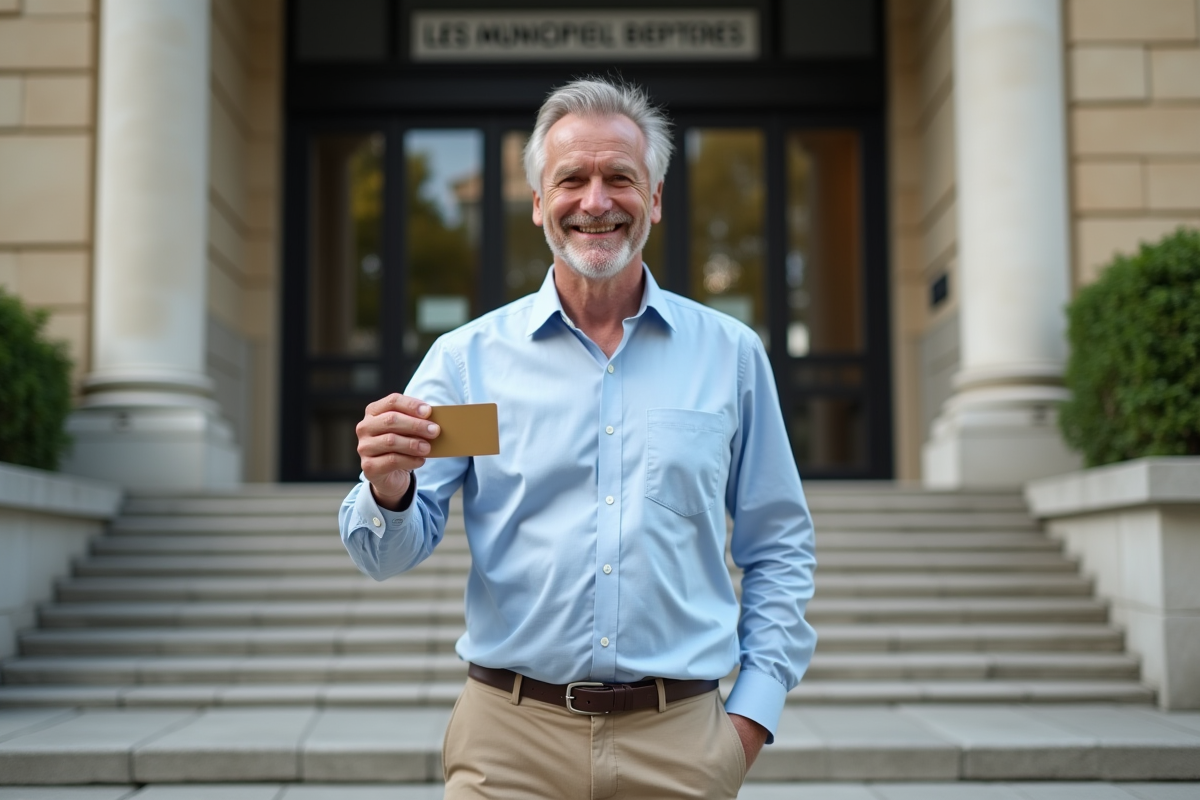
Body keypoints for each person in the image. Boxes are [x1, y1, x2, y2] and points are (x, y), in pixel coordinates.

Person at [339, 77, 816, 799]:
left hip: (681, 747)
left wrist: (749, 718)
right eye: (572, 179)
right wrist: (389, 489)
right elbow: (383, 554)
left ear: (654, 199)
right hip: (508, 745)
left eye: (619, 177)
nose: (596, 201)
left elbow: (779, 542)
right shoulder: (467, 360)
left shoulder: (731, 355)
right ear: (538, 204)